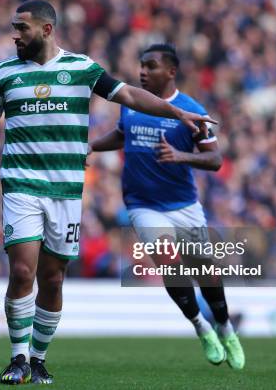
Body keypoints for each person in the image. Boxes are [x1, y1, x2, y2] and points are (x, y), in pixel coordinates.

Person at [0, 0, 216, 385]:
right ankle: (18, 359)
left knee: (53, 277)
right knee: (23, 269)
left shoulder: (81, 69)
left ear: (46, 30)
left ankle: (40, 359)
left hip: (66, 189)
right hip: (21, 184)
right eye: (14, 27)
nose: (15, 35)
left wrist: (177, 112)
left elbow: (128, 95)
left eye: (22, 28)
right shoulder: (4, 72)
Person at [90, 44, 245, 370]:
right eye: (141, 65)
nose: (143, 71)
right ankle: (201, 327)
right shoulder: (131, 103)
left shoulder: (191, 109)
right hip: (142, 203)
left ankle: (225, 327)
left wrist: (181, 156)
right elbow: (122, 136)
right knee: (169, 261)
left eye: (151, 65)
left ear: (171, 71)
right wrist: (90, 147)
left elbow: (215, 159)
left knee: (205, 270)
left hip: (183, 204)